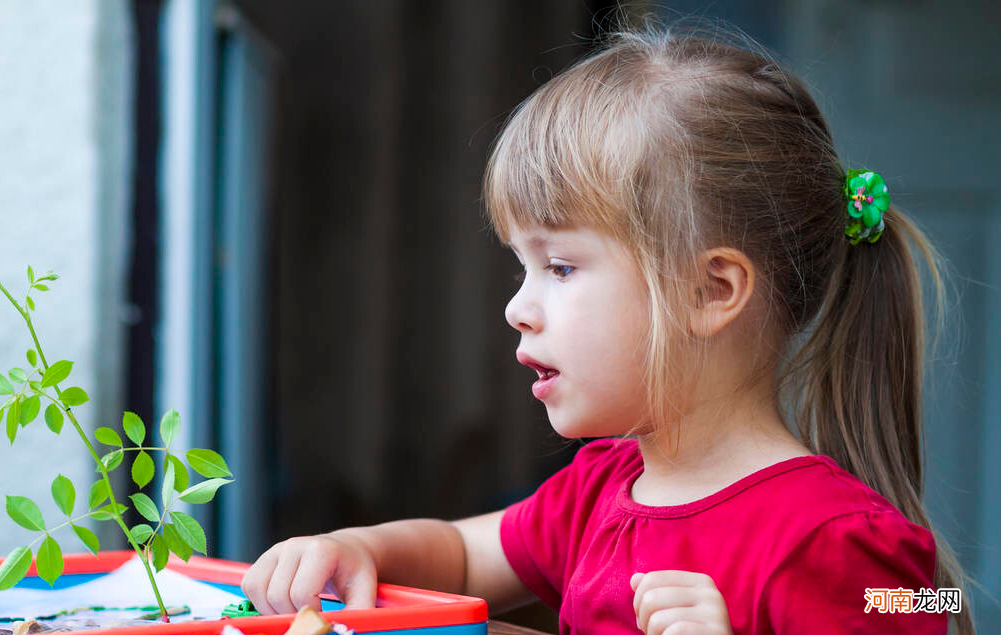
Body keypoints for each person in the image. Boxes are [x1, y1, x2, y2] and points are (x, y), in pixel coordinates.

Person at [241, 23, 976, 635]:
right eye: (521, 267)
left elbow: (933, 602)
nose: (516, 307)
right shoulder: (600, 487)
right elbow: (463, 557)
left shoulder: (840, 542)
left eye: (559, 266)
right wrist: (351, 548)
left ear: (708, 290)